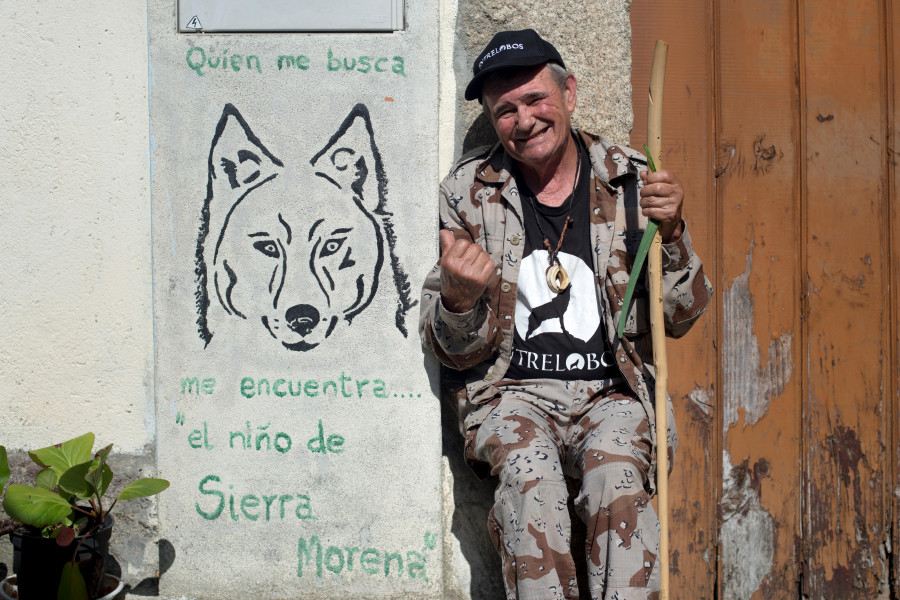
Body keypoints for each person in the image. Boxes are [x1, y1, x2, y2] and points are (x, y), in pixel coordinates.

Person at [419, 29, 712, 600]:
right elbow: (450, 349)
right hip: (511, 394)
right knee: (531, 479)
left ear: (569, 93)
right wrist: (458, 299)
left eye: (535, 100)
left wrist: (672, 234)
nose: (523, 120)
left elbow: (682, 315)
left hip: (613, 393)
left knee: (618, 474)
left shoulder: (632, 180)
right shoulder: (468, 193)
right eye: (505, 111)